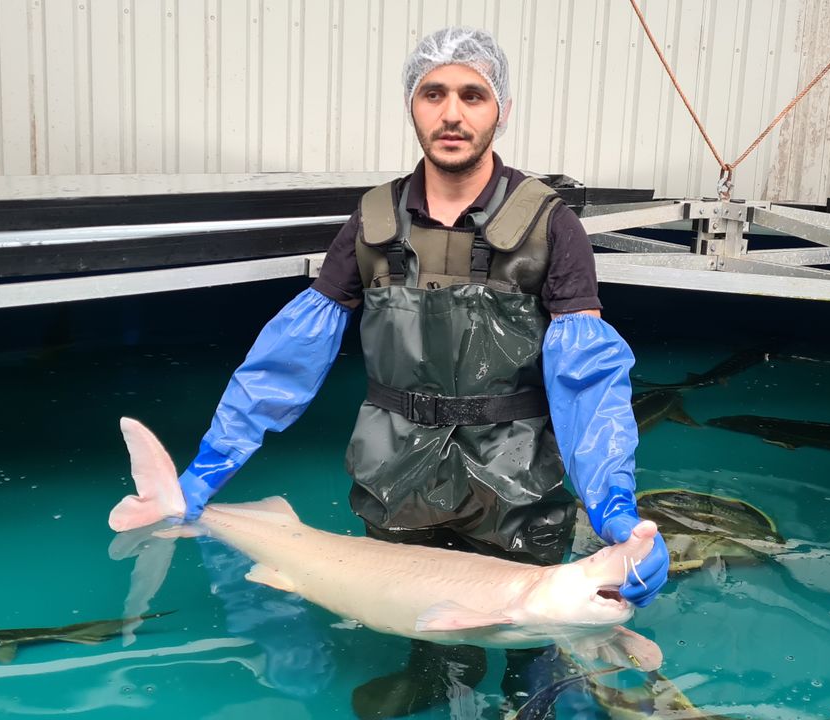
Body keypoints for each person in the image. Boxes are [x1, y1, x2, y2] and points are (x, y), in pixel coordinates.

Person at [174, 26, 669, 716]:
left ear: (501, 108)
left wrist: (614, 507)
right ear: (412, 105)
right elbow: (292, 353)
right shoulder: (373, 219)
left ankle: (536, 683)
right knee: (420, 613)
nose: (452, 113)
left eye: (473, 94)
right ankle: (433, 676)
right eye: (433, 93)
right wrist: (210, 465)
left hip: (517, 475)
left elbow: (586, 378)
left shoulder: (551, 227)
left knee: (530, 629)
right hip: (397, 468)